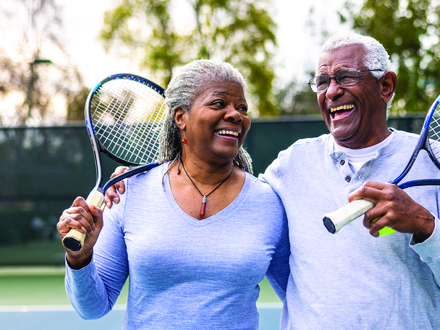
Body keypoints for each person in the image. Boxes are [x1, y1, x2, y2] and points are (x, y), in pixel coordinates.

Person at [258, 31, 440, 329]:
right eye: (323, 81)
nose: (331, 91)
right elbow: (268, 250)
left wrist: (424, 225)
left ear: (385, 86)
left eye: (346, 77)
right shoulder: (290, 165)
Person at [56, 59, 290, 330]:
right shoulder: (128, 191)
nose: (236, 115)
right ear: (181, 118)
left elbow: (302, 298)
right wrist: (80, 257)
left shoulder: (267, 202)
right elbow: (92, 308)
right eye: (218, 103)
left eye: (242, 108)